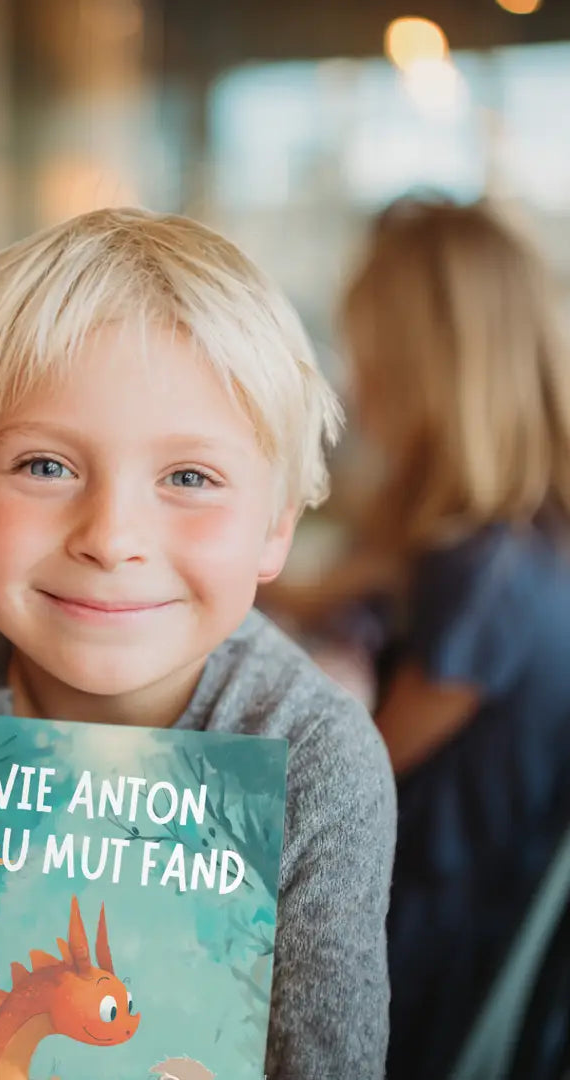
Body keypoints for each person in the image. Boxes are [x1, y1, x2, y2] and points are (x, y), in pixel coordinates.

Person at [0, 208, 396, 1079]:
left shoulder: (315, 758)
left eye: (189, 477)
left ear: (275, 530)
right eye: (46, 466)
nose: (112, 537)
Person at [268, 198, 570, 1080]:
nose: (352, 380)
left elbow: (356, 767)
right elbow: (320, 590)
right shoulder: (506, 535)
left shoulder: (481, 573)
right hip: (457, 889)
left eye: (365, 349)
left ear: (426, 364)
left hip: (435, 937)